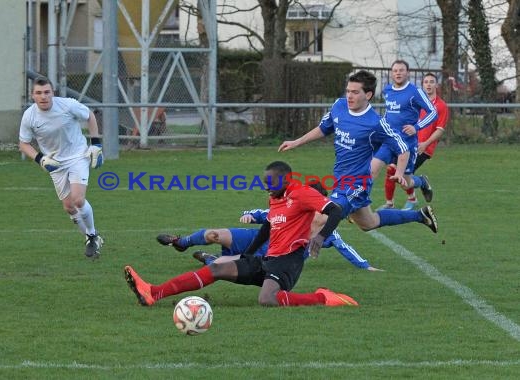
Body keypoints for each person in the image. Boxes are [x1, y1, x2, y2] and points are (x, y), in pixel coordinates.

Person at [124, 161, 359, 308]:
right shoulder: (275, 198)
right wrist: (247, 255)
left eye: (271, 181)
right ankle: (153, 293)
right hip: (269, 259)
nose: (266, 185)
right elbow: (267, 227)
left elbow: (336, 210)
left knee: (267, 299)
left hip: (289, 261)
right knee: (216, 269)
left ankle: (322, 297)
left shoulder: (302, 193)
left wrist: (319, 237)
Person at [278, 70, 438, 237]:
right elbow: (323, 129)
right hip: (340, 177)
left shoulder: (376, 123)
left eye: (355, 92)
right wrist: (297, 142)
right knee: (369, 223)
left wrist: (399, 173)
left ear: (368, 95)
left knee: (319, 219)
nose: (349, 96)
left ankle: (280, 258)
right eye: (348, 91)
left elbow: (403, 149)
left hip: (357, 183)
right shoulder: (339, 106)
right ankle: (420, 215)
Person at [19, 75, 104, 259]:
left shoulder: (67, 105)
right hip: (55, 163)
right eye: (39, 93)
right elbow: (23, 144)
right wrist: (40, 159)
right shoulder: (29, 116)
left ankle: (92, 235)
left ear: (53, 92)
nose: (43, 96)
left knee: (78, 200)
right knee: (68, 207)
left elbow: (89, 115)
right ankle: (91, 238)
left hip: (77, 157)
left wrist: (96, 144)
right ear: (32, 95)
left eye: (47, 92)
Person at [156, 207, 381, 271]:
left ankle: (209, 259)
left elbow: (346, 249)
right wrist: (250, 215)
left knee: (224, 265)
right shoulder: (298, 212)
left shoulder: (329, 234)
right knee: (213, 234)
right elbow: (266, 213)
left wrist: (365, 266)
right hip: (254, 237)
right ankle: (181, 242)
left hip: (270, 256)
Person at [371, 60, 438, 210]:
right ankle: (360, 205)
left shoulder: (415, 91)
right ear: (391, 73)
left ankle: (421, 181)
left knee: (405, 182)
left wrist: (417, 127)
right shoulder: (387, 90)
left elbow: (433, 112)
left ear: (407, 73)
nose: (398, 73)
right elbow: (389, 112)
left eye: (401, 70)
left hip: (407, 143)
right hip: (389, 141)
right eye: (395, 71)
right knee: (372, 170)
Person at [383, 72, 449, 210]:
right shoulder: (415, 100)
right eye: (426, 82)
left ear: (436, 85)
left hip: (423, 147)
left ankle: (417, 189)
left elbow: (440, 129)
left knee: (401, 175)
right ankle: (390, 203)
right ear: (422, 85)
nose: (429, 84)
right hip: (405, 143)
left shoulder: (441, 106)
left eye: (432, 82)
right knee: (393, 170)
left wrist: (425, 144)